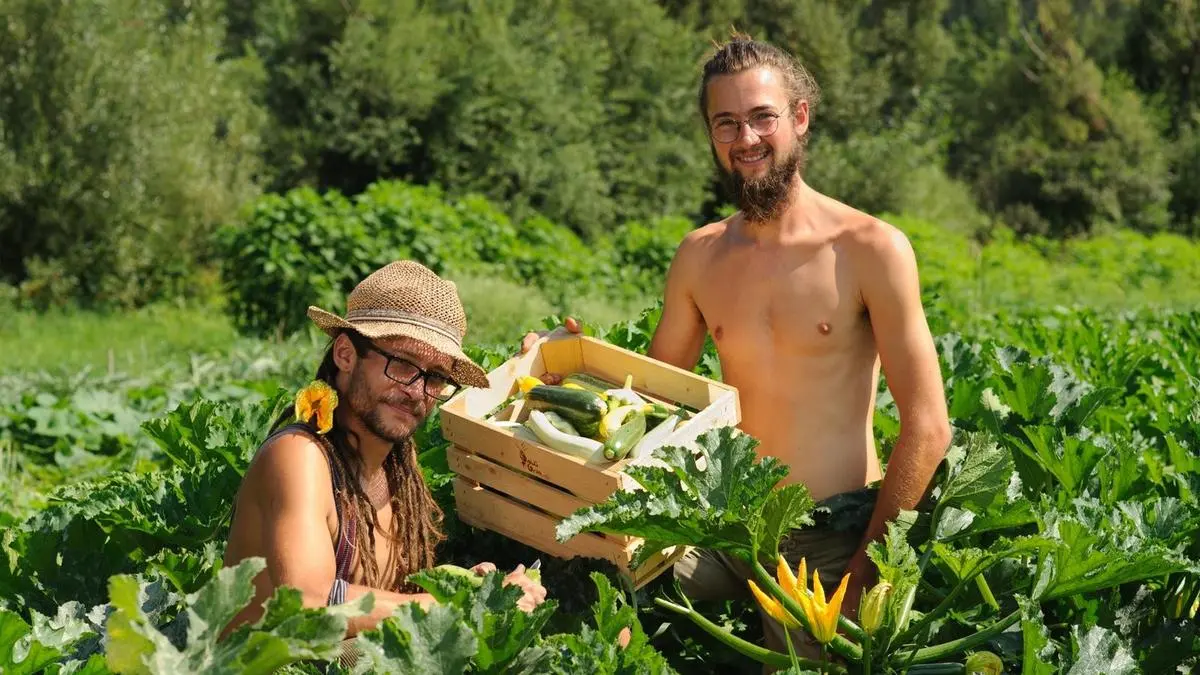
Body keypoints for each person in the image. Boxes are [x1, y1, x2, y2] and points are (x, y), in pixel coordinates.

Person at [521, 34, 951, 661]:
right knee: (583, 592)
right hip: (718, 524)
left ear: (799, 118)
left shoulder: (870, 249)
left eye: (762, 117)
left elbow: (929, 428)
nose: (746, 139)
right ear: (711, 136)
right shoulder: (700, 256)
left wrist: (865, 574)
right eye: (727, 123)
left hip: (827, 537)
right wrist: (570, 367)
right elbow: (659, 395)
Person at [224, 260, 546, 666]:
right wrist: (461, 605)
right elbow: (307, 603)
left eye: (434, 377)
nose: (416, 391)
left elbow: (382, 608)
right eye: (403, 364)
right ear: (345, 353)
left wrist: (468, 586)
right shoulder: (300, 456)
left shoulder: (398, 465)